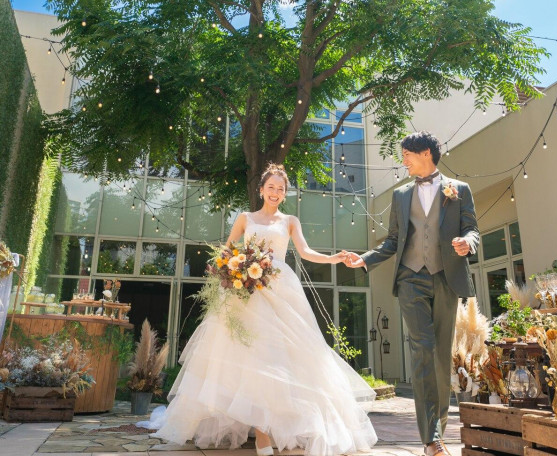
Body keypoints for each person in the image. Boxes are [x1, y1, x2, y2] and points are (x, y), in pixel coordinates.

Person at [149, 163, 377, 456]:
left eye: (281, 188)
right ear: (261, 190)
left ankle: (266, 429)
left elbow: (305, 252)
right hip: (245, 292)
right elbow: (227, 250)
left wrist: (335, 259)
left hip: (280, 289)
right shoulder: (245, 218)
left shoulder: (290, 221)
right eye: (271, 187)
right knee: (247, 357)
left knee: (275, 359)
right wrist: (232, 268)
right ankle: (261, 432)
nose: (275, 192)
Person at [345, 131, 479, 456]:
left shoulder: (459, 189)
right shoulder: (401, 195)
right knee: (423, 349)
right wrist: (365, 259)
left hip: (446, 278)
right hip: (410, 278)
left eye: (407, 154)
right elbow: (394, 240)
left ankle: (437, 434)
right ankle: (431, 439)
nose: (403, 160)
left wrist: (468, 243)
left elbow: (471, 228)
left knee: (441, 356)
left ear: (425, 153)